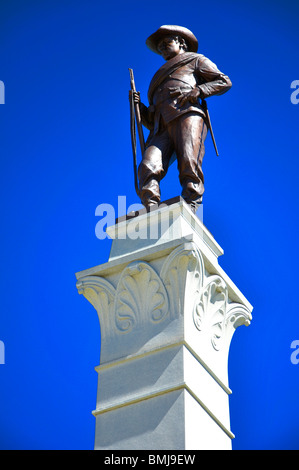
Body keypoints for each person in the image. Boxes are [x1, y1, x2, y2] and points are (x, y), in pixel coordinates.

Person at [132, 25, 232, 212]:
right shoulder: (157, 77)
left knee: (188, 161)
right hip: (160, 127)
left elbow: (224, 81)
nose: (162, 47)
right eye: (159, 45)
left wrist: (199, 90)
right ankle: (150, 206)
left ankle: (191, 202)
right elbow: (150, 120)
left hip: (187, 114)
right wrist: (140, 108)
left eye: (166, 42)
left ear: (181, 42)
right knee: (148, 164)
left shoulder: (195, 60)